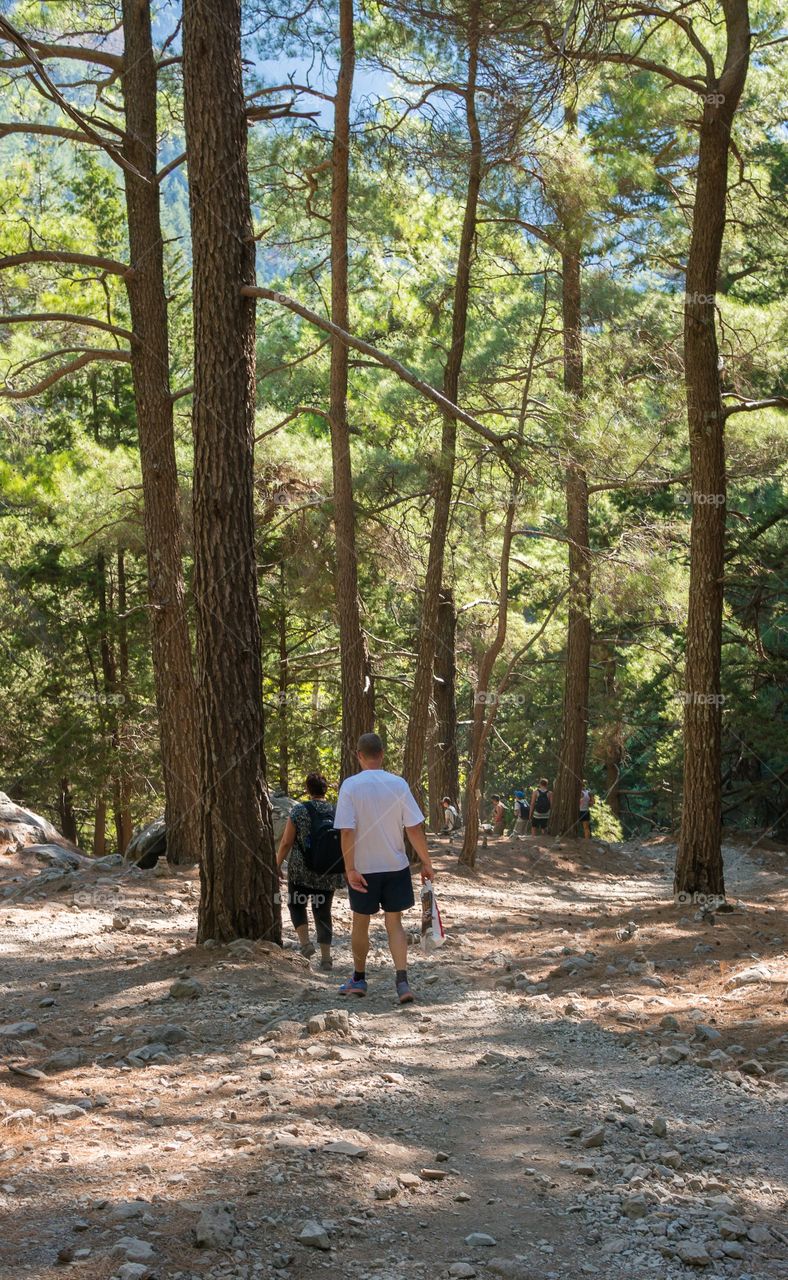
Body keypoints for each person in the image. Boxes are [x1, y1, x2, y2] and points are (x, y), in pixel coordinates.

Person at [333, 732, 434, 1004]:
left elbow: (346, 831)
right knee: (395, 924)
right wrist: (426, 862)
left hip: (363, 868)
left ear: (359, 756)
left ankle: (359, 978)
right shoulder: (398, 784)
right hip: (395, 866)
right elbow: (413, 827)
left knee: (360, 923)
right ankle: (402, 982)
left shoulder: (351, 786)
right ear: (383, 754)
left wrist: (349, 868)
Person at [276, 773, 345, 971]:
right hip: (329, 872)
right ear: (325, 790)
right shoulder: (336, 810)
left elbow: (287, 841)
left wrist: (277, 864)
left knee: (296, 905)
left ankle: (306, 945)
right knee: (323, 911)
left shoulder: (298, 810)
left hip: (301, 870)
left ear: (307, 789)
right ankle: (326, 958)